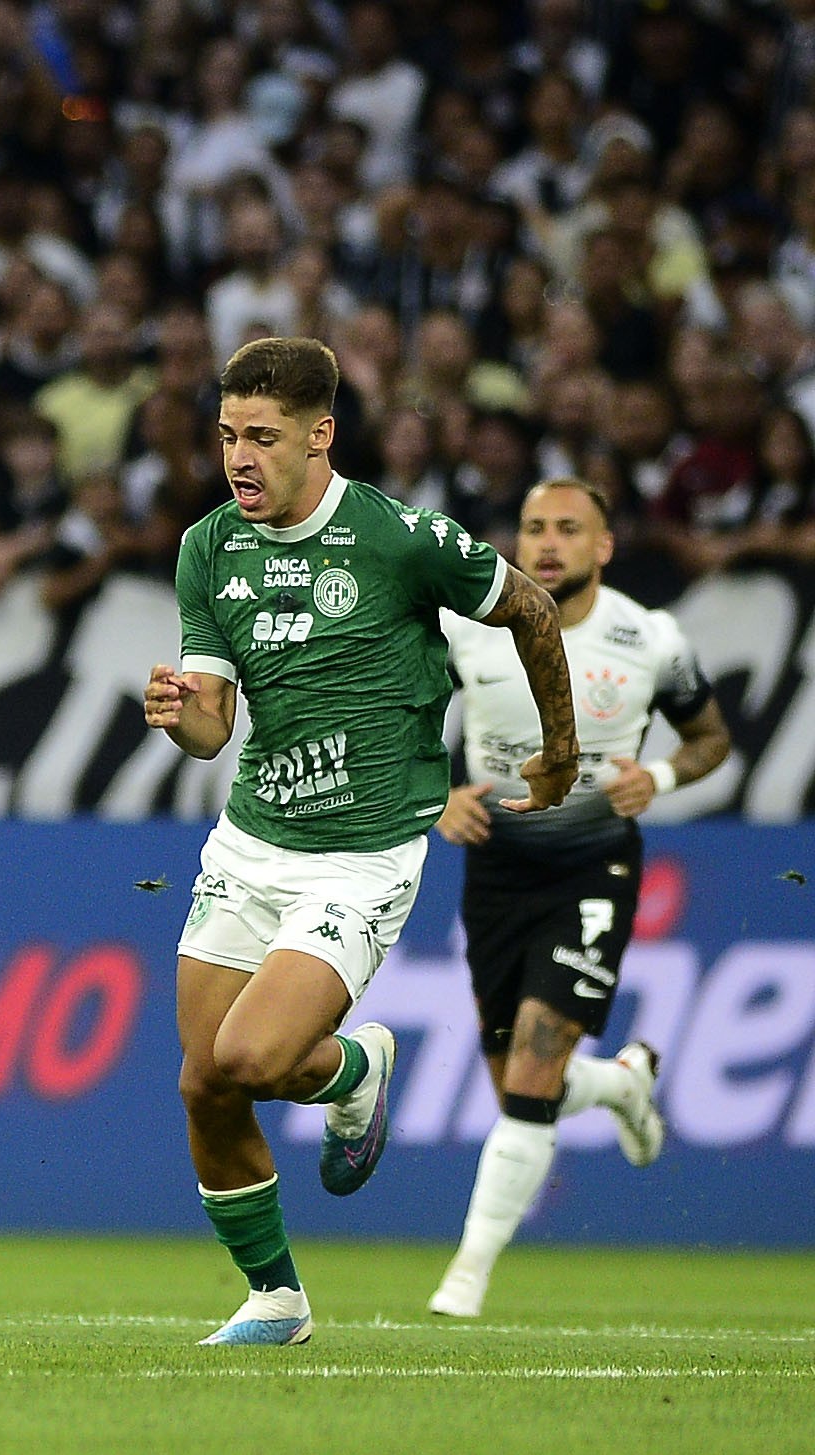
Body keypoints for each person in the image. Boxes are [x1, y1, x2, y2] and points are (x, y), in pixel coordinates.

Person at [144, 337, 579, 1346]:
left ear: (317, 434)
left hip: (361, 853)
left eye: (260, 437)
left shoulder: (396, 538)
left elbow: (531, 606)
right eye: (224, 437)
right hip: (251, 841)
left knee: (251, 1054)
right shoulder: (207, 546)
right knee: (202, 1079)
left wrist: (558, 749)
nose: (238, 458)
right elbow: (212, 726)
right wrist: (178, 714)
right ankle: (275, 1297)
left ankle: (344, 1069)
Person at [428, 479, 732, 1318]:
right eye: (533, 528)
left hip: (594, 866)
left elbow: (710, 736)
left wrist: (661, 774)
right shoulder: (467, 628)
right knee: (520, 1087)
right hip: (495, 867)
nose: (548, 542)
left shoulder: (651, 638)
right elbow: (408, 716)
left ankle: (468, 1275)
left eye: (569, 528)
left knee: (532, 1066)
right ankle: (623, 1084)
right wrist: (440, 792)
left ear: (605, 545)